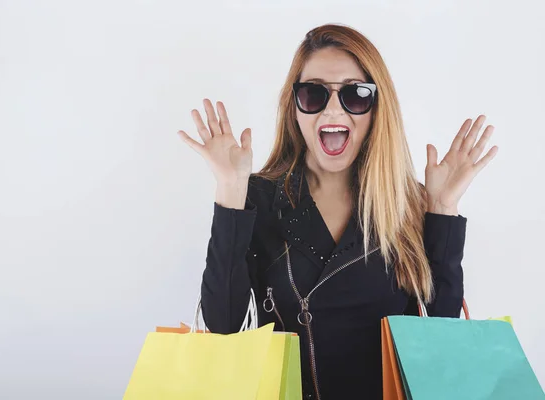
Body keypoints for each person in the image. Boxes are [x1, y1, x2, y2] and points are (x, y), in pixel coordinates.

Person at [177, 23, 498, 400]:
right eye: (313, 94)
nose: (333, 109)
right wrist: (231, 191)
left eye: (355, 95)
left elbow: (440, 342)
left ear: (377, 110)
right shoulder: (259, 198)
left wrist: (442, 209)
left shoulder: (406, 202)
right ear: (293, 107)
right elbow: (222, 329)